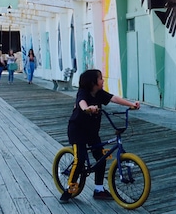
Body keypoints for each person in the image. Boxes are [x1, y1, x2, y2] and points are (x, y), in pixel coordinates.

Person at [59, 69, 141, 203]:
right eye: (101, 78)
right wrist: (87, 108)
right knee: (79, 159)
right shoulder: (83, 93)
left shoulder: (100, 94)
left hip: (92, 132)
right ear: (93, 82)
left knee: (101, 158)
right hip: (77, 130)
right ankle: (69, 188)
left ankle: (99, 189)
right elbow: (81, 102)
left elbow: (114, 98)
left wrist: (131, 104)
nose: (103, 80)